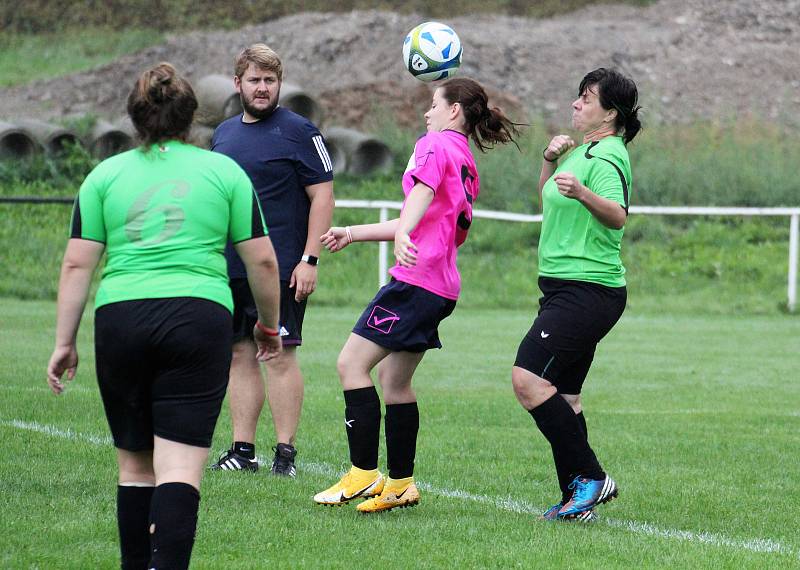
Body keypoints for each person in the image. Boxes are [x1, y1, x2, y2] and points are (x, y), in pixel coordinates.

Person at [46, 63, 282, 570]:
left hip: (121, 319)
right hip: (198, 319)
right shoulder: (223, 172)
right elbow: (262, 259)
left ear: (135, 116)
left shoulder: (104, 175)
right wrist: (267, 324)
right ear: (191, 117)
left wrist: (64, 341)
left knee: (135, 467)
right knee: (180, 467)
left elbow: (76, 263)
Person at [313, 77, 520, 513]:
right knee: (395, 381)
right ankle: (402, 484)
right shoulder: (465, 160)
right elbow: (425, 219)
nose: (427, 113)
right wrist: (353, 233)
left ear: (454, 112)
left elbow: (419, 201)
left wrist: (405, 230)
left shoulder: (435, 143)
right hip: (441, 286)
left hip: (415, 281)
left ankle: (362, 474)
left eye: (433, 104)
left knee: (350, 365)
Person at [511, 67, 642, 522]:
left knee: (527, 380)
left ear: (611, 113)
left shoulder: (607, 155)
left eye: (586, 98)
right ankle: (577, 499)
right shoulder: (581, 150)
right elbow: (548, 197)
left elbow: (618, 215)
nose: (576, 104)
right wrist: (549, 161)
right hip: (565, 287)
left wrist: (585, 192)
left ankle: (591, 476)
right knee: (565, 396)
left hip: (588, 289)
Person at [209, 44, 335, 477]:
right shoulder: (222, 135)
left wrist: (310, 259)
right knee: (239, 354)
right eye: (254, 80)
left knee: (279, 355)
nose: (262, 88)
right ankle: (242, 452)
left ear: (279, 83)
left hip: (280, 268)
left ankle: (286, 456)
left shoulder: (302, 132)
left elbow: (323, 195)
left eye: (269, 80)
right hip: (229, 267)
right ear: (237, 84)